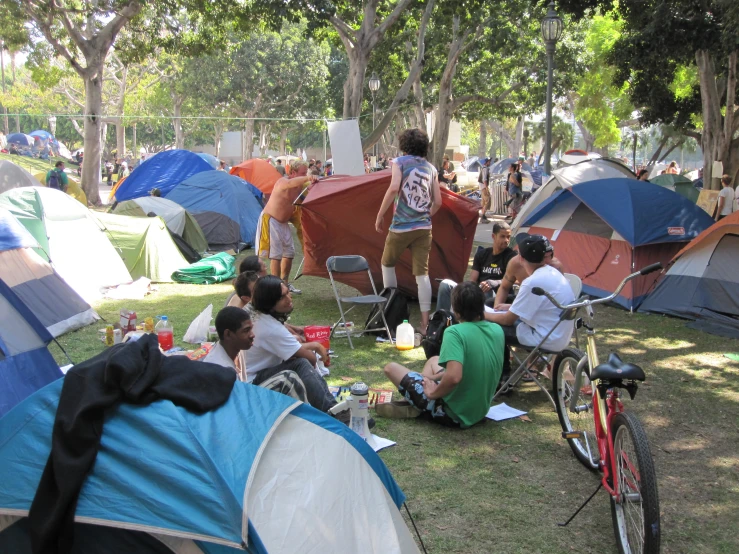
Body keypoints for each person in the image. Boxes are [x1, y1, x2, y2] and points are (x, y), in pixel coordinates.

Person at [382, 281, 504, 428]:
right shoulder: (497, 330)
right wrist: (431, 379)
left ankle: (421, 403)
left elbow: (454, 377)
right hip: (478, 412)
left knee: (391, 368)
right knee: (434, 360)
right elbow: (471, 366)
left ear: (456, 311)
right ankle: (419, 397)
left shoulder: (455, 332)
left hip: (452, 414)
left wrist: (432, 393)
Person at [375, 128, 442, 335]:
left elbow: (394, 188)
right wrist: (424, 214)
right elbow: (438, 202)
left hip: (401, 226)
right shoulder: (431, 168)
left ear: (404, 145)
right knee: (422, 275)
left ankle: (391, 314)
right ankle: (424, 324)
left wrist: (380, 215)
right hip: (423, 227)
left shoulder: (399, 163)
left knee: (387, 264)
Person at [245, 276, 341, 415]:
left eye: (288, 292)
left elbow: (279, 326)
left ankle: (334, 407)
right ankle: (334, 412)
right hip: (252, 383)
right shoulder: (270, 329)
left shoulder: (253, 309)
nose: (289, 298)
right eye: (282, 297)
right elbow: (311, 359)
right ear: (270, 302)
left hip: (247, 375)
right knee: (301, 364)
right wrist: (316, 346)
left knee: (296, 360)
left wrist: (295, 332)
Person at [485, 235, 575, 376]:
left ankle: (502, 375)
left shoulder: (532, 282)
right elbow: (544, 306)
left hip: (544, 338)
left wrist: (481, 313)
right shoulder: (552, 272)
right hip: (559, 335)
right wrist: (510, 307)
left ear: (520, 257)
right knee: (496, 315)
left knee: (490, 326)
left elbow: (508, 320)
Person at [205, 306, 308, 400]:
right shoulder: (222, 370)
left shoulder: (232, 350)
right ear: (228, 334)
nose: (252, 335)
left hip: (244, 395)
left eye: (251, 329)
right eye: (246, 331)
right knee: (288, 379)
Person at [254, 160, 317, 294]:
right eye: (302, 173)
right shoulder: (283, 181)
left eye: (306, 172)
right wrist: (308, 178)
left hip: (283, 223)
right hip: (271, 220)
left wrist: (314, 183)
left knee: (289, 254)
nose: (305, 175)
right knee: (275, 256)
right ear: (293, 173)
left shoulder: (301, 186)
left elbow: (308, 196)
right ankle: (275, 288)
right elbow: (290, 183)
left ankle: (285, 284)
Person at [436, 222, 515, 312]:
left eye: (508, 237)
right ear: (493, 236)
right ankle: (442, 320)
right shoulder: (482, 254)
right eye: (502, 236)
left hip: (497, 297)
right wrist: (465, 289)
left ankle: (473, 319)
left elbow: (517, 280)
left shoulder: (512, 257)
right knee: (445, 284)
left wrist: (495, 282)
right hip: (477, 292)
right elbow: (472, 280)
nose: (506, 240)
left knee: (486, 290)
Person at [493, 236, 563, 309]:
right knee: (489, 303)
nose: (547, 261)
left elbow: (552, 301)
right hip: (522, 300)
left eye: (550, 256)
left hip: (543, 306)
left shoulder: (555, 268)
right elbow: (504, 287)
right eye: (544, 257)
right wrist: (496, 308)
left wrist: (513, 308)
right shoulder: (515, 263)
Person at [478, 157, 492, 223]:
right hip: (484, 187)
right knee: (487, 200)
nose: (490, 163)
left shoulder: (483, 168)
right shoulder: (485, 169)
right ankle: (483, 215)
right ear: (486, 162)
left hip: (482, 187)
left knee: (483, 201)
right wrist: (486, 188)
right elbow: (484, 179)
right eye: (489, 161)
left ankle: (483, 215)